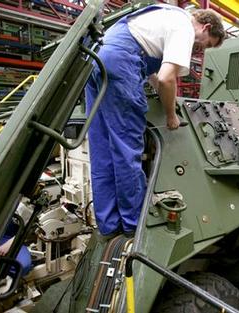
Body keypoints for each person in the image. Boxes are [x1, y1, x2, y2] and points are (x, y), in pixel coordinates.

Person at [85, 5, 225, 237]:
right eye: (206, 43)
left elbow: (152, 74)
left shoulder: (163, 16)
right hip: (121, 64)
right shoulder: (185, 27)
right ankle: (133, 225)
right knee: (127, 151)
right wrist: (171, 115)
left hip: (97, 62)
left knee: (102, 152)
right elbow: (166, 79)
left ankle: (109, 225)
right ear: (205, 27)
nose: (201, 49)